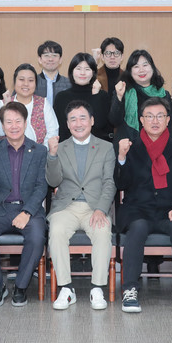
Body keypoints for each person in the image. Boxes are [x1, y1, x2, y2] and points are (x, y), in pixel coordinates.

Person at [114, 97, 172, 314]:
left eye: (160, 116)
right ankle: (130, 290)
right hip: (139, 208)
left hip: (169, 208)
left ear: (168, 120)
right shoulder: (131, 147)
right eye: (149, 116)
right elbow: (121, 184)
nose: (155, 121)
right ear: (141, 120)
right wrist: (121, 158)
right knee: (138, 228)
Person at [46, 100, 117, 310]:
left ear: (92, 121)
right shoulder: (60, 147)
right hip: (66, 207)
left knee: (102, 230)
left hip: (94, 206)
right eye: (73, 119)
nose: (78, 123)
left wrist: (101, 209)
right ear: (67, 124)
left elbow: (109, 182)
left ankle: (97, 288)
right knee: (57, 230)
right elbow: (53, 181)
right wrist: (52, 155)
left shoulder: (106, 148)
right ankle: (66, 288)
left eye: (83, 118)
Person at [0, 102, 48, 308]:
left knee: (37, 236)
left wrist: (27, 212)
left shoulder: (39, 151)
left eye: (18, 121)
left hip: (29, 209)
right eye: (8, 122)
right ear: (2, 126)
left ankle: (21, 286)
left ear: (26, 123)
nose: (14, 126)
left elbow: (41, 186)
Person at [109, 49, 172, 147]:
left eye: (145, 65)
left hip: (157, 146)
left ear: (152, 68)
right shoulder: (123, 91)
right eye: (136, 66)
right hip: (128, 146)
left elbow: (170, 126)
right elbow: (114, 121)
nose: (141, 70)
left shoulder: (164, 95)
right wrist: (119, 97)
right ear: (130, 71)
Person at [0, 64, 59, 149]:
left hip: (39, 154)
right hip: (8, 154)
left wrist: (41, 152)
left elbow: (53, 132)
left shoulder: (44, 103)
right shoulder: (4, 103)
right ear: (14, 82)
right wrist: (6, 106)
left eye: (30, 80)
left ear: (35, 84)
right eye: (21, 79)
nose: (26, 84)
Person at [53, 53, 112, 142]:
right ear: (72, 71)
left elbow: (99, 124)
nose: (82, 73)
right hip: (68, 147)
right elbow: (61, 129)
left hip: (96, 147)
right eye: (78, 68)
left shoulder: (102, 96)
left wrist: (95, 96)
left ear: (93, 72)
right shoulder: (61, 97)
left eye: (87, 69)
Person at [34, 40, 71, 105]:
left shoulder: (69, 84)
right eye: (46, 55)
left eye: (54, 55)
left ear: (60, 60)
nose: (50, 59)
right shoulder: (33, 82)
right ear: (40, 60)